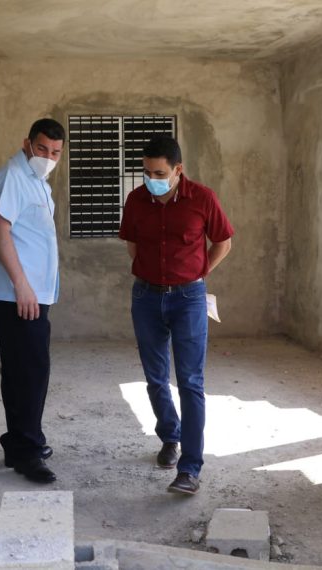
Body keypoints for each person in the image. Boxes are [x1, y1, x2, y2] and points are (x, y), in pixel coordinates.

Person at [118, 135, 234, 495]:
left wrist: (199, 273)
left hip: (189, 299)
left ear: (178, 170)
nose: (151, 179)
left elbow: (223, 242)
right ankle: (170, 436)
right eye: (146, 172)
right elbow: (133, 244)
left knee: (190, 382)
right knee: (155, 378)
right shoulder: (136, 200)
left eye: (159, 173)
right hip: (146, 297)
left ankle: (190, 468)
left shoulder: (203, 198)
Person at [0, 118, 65, 484]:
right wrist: (22, 285)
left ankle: (21, 443)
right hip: (18, 295)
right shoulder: (13, 177)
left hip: (31, 294)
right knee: (29, 371)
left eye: (56, 152)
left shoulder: (36, 182)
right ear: (27, 143)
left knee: (27, 369)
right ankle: (27, 452)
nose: (48, 157)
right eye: (42, 148)